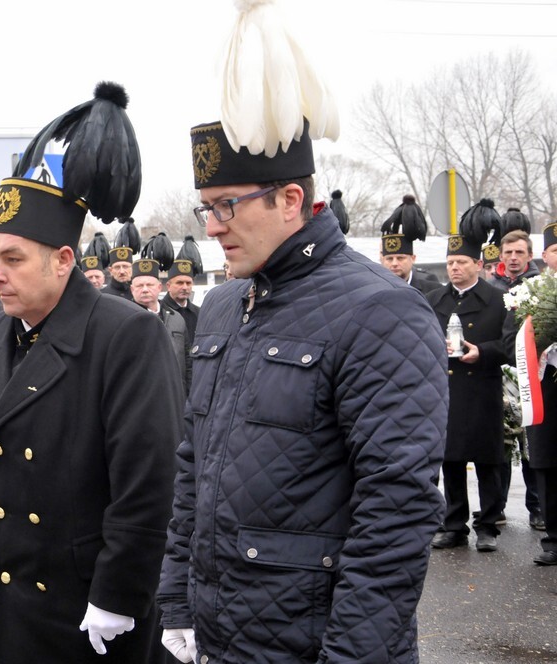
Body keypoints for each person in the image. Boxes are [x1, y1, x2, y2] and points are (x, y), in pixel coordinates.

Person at [157, 5, 446, 661]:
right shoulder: (224, 305)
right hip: (221, 638)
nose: (212, 226)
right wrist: (176, 598)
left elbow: (397, 509)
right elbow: (194, 467)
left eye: (226, 205)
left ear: (290, 200)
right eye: (206, 208)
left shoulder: (383, 312)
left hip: (316, 645)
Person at [0, 82, 183, 663]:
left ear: (63, 260)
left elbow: (148, 483)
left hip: (92, 610)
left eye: (13, 259)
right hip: (16, 597)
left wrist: (120, 592)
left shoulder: (127, 335)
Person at [427, 231, 515, 552]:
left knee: (487, 460)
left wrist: (483, 352)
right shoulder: (434, 300)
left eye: (462, 262)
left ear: (478, 264)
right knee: (451, 460)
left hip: (482, 387)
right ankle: (454, 525)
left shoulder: (498, 300)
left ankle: (488, 526)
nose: (454, 268)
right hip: (447, 389)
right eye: (450, 262)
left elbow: (510, 346)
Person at [486, 228, 544, 529]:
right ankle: (497, 506)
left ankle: (537, 507)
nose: (512, 258)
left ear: (529, 256)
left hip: (531, 374)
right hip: (498, 373)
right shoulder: (490, 287)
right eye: (507, 252)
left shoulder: (540, 287)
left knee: (531, 445)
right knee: (502, 444)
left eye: (519, 252)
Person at [529, 221, 557, 564]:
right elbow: (513, 338)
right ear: (544, 255)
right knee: (548, 464)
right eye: (555, 250)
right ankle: (553, 539)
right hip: (545, 390)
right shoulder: (532, 292)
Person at [131, 257, 189, 392]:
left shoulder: (176, 318)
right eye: (139, 286)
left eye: (149, 285)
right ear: (132, 289)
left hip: (175, 392)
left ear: (159, 287)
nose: (145, 290)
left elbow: (187, 360)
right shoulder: (124, 318)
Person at [379, 195, 441, 295]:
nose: (394, 263)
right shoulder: (373, 290)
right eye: (389, 259)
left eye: (400, 258)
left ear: (413, 258)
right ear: (382, 260)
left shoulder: (433, 291)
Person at [161, 257, 201, 355]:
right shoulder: (160, 311)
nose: (185, 287)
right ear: (168, 286)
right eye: (179, 283)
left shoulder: (199, 312)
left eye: (188, 283)